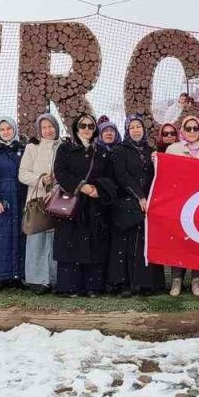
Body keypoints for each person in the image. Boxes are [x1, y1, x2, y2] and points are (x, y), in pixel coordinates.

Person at [52, 113, 115, 297]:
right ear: (76, 128)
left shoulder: (102, 151)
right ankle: (69, 286)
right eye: (83, 125)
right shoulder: (65, 148)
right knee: (70, 245)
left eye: (90, 126)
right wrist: (81, 187)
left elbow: (109, 176)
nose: (87, 129)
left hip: (94, 205)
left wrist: (98, 189)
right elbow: (60, 172)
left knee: (94, 244)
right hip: (72, 203)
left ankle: (92, 286)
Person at [165, 115, 199, 296]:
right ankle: (177, 279)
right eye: (188, 129)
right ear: (183, 130)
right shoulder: (173, 149)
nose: (191, 132)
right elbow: (166, 175)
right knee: (178, 241)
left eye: (195, 129)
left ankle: (196, 280)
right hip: (179, 203)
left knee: (198, 241)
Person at [108, 114, 163, 297]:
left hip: (148, 203)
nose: (136, 130)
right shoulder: (120, 150)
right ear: (127, 130)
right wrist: (139, 196)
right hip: (127, 202)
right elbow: (122, 175)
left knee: (143, 243)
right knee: (126, 243)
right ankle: (125, 283)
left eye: (138, 126)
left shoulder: (149, 150)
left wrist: (158, 161)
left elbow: (155, 176)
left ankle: (146, 283)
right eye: (132, 127)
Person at [18, 113, 61, 295]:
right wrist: (40, 179)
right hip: (37, 201)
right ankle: (37, 280)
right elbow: (22, 174)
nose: (48, 130)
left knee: (54, 240)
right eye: (44, 127)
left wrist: (56, 185)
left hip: (57, 198)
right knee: (37, 239)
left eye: (50, 126)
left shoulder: (63, 147)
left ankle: (54, 278)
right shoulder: (31, 148)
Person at [0, 118, 26, 289]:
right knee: (2, 237)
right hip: (3, 197)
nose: (6, 132)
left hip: (20, 194)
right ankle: (3, 276)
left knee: (20, 234)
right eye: (2, 129)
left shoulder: (23, 149)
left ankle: (19, 275)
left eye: (9, 128)